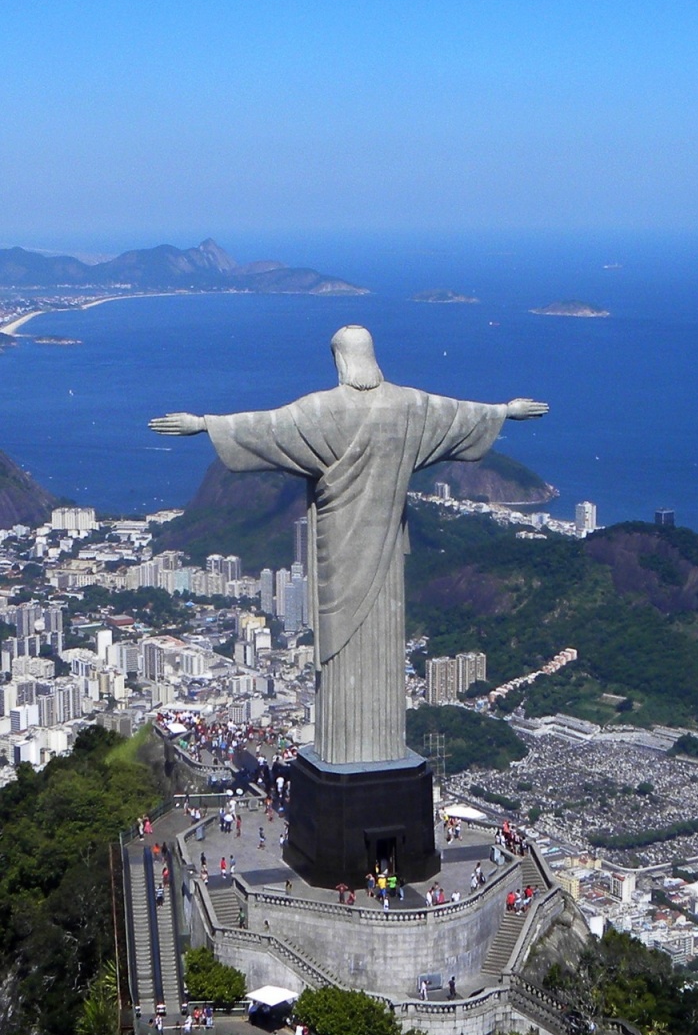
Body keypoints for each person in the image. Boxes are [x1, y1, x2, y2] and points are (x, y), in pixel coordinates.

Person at [150, 327, 547, 767]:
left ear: (340, 361)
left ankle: (345, 753)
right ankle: (377, 751)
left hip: (337, 551)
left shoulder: (321, 410)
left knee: (341, 649)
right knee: (380, 640)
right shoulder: (409, 406)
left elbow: (266, 428)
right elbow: (458, 416)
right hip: (387, 550)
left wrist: (204, 424)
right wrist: (506, 411)